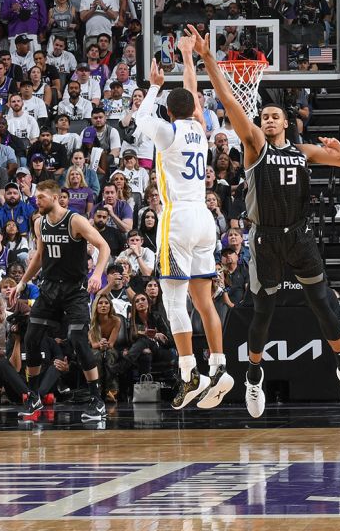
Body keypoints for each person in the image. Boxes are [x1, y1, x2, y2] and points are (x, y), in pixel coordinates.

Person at [197, 24, 340, 418]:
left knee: (323, 307)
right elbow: (229, 100)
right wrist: (208, 59)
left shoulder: (303, 152)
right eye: (265, 116)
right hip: (265, 240)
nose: (268, 120)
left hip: (301, 237)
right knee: (263, 313)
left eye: (275, 117)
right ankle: (254, 376)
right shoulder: (254, 146)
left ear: (286, 123)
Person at [132, 26, 232, 410]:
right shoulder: (200, 128)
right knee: (204, 301)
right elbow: (191, 94)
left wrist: (154, 84)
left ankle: (190, 372)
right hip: (205, 219)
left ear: (169, 111)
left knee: (174, 303)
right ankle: (220, 367)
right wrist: (189, 57)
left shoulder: (168, 131)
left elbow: (142, 117)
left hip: (175, 221)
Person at [14, 180, 111, 422]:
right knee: (31, 338)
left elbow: (104, 246)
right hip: (49, 288)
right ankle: (34, 395)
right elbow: (39, 256)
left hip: (74, 290)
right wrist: (23, 282)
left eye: (41, 198)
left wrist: (97, 273)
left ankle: (97, 400)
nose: (37, 202)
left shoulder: (75, 220)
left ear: (55, 198)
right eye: (36, 198)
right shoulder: (39, 223)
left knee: (79, 340)